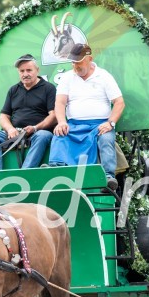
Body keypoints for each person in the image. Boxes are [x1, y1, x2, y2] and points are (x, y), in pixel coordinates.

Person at [49, 43, 125, 190]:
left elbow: (119, 102)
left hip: (100, 124)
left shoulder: (104, 76)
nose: (75, 66)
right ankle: (55, 169)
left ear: (90, 58)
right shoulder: (67, 77)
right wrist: (62, 122)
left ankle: (108, 177)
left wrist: (110, 123)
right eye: (73, 62)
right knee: (60, 133)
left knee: (106, 139)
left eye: (79, 62)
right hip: (74, 124)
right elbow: (60, 102)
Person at [0, 54, 56, 171]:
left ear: (37, 70)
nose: (25, 74)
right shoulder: (13, 90)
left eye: (29, 70)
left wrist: (35, 128)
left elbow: (54, 115)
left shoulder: (49, 88)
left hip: (38, 132)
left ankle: (25, 172)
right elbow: (4, 116)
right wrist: (10, 129)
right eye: (22, 71)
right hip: (15, 133)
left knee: (43, 135)